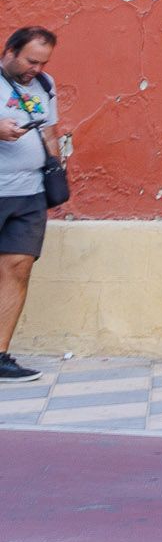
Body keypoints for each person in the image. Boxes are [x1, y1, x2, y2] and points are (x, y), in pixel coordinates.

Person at [0, 26, 64, 384]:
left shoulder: (44, 84)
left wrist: (55, 169)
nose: (36, 69)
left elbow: (50, 132)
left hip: (29, 193)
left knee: (18, 267)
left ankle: (0, 355)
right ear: (10, 51)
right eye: (30, 61)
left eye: (43, 63)